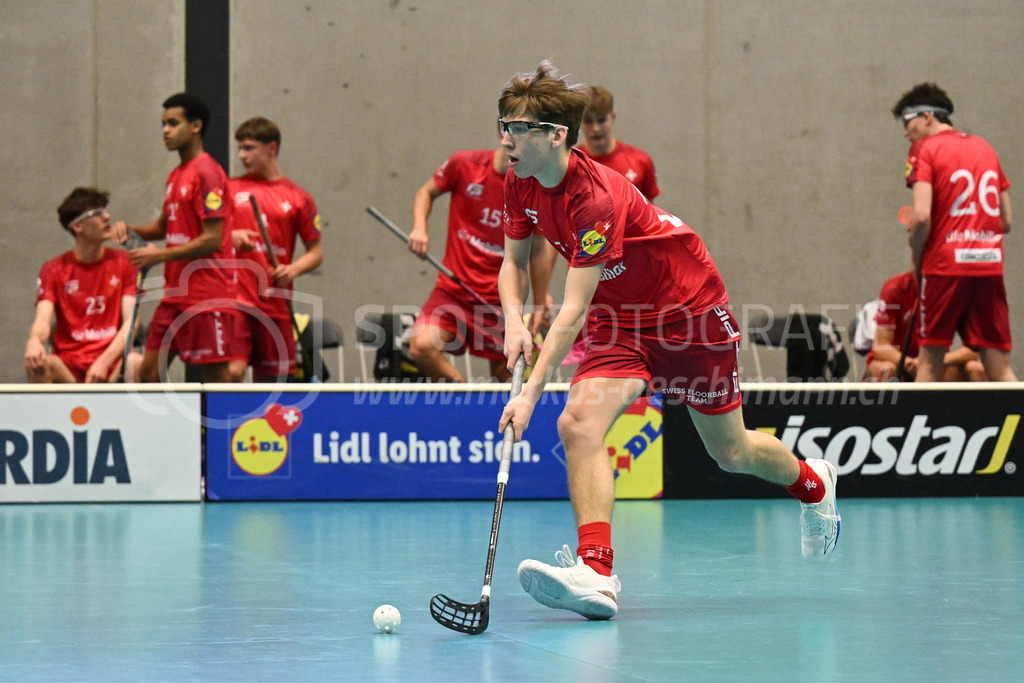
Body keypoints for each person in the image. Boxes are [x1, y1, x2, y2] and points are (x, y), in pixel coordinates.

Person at [496, 61, 840, 622]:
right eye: (503, 123)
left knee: (731, 453)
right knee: (578, 424)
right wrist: (513, 319)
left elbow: (573, 308)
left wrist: (530, 391)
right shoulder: (519, 178)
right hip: (623, 317)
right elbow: (511, 262)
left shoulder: (596, 200)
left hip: (688, 313)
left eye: (516, 126)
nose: (505, 138)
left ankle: (813, 483)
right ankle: (597, 574)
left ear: (555, 134)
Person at [113, 92, 246, 383]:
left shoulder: (208, 173)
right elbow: (164, 227)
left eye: (173, 123)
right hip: (175, 295)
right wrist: (127, 228)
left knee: (216, 380)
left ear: (196, 126)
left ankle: (225, 429)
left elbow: (213, 238)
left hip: (206, 294)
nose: (165, 130)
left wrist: (157, 256)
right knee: (148, 374)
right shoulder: (176, 175)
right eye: (163, 124)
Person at [892, 82, 1016, 382]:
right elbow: (1006, 220)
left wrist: (917, 253)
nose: (906, 132)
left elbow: (921, 217)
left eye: (907, 123)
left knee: (929, 365)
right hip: (988, 264)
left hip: (945, 268)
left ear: (927, 116)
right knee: (999, 367)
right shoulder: (984, 147)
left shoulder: (924, 149)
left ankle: (916, 428)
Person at [406, 142, 554, 382]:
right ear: (502, 132)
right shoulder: (464, 164)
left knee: (502, 377)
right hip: (452, 291)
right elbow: (426, 192)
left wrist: (539, 302)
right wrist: (419, 228)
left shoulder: (533, 189)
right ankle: (463, 395)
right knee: (422, 347)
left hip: (499, 300)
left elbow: (539, 249)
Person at [228, 117, 324, 382]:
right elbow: (204, 236)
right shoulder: (229, 190)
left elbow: (316, 252)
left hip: (275, 303)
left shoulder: (298, 197)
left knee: (273, 383)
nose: (241, 155)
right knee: (231, 372)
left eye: (248, 148)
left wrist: (292, 269)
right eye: (240, 148)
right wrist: (229, 236)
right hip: (236, 300)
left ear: (271, 148)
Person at [25, 187, 142, 383]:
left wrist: (104, 362)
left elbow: (132, 322)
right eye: (97, 213)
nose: (107, 217)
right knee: (39, 365)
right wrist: (34, 341)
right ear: (77, 226)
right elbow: (43, 320)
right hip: (69, 366)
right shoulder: (54, 269)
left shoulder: (125, 263)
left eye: (105, 211)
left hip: (111, 363)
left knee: (136, 362)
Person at [865, 269, 985, 382]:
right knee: (886, 370)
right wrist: (908, 363)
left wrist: (934, 361)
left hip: (936, 363)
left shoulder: (953, 291)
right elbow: (881, 347)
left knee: (976, 368)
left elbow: (974, 349)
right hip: (897, 362)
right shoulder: (894, 288)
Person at [577, 85, 660, 202]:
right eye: (589, 121)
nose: (595, 128)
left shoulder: (641, 161)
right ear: (580, 121)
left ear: (613, 117)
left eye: (601, 120)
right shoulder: (572, 164)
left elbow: (652, 213)